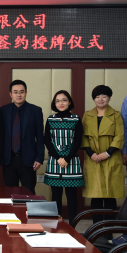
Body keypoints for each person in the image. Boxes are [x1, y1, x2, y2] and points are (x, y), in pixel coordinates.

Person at [82, 85, 125, 223]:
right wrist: (91, 154)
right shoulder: (87, 115)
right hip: (93, 159)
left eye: (104, 96)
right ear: (94, 99)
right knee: (95, 194)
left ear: (109, 98)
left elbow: (119, 136)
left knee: (110, 194)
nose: (100, 99)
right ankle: (96, 227)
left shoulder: (116, 114)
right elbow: (82, 136)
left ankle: (109, 228)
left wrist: (107, 153)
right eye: (97, 97)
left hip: (111, 158)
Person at [44, 90, 84, 226]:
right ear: (54, 103)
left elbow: (77, 141)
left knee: (72, 196)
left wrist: (66, 158)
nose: (61, 103)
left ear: (69, 102)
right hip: (55, 161)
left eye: (64, 100)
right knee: (56, 196)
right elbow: (47, 140)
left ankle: (73, 225)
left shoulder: (76, 119)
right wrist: (58, 157)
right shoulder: (50, 119)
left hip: (71, 161)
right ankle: (56, 225)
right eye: (58, 101)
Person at [0, 80, 45, 194]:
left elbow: (40, 136)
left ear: (26, 93)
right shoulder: (3, 110)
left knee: (29, 192)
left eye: (21, 92)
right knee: (10, 193)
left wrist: (39, 158)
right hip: (8, 159)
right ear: (10, 94)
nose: (18, 95)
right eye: (15, 92)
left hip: (29, 159)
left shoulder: (35, 110)